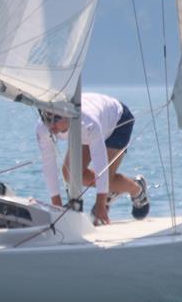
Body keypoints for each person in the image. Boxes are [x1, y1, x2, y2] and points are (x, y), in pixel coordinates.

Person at [36, 93, 149, 225]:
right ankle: (112, 190)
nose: (50, 126)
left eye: (55, 119)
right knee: (70, 174)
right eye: (46, 118)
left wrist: (100, 204)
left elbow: (100, 164)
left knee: (108, 179)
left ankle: (137, 189)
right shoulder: (43, 128)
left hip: (117, 122)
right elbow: (48, 165)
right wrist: (57, 209)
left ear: (66, 115)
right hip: (85, 127)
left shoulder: (88, 123)